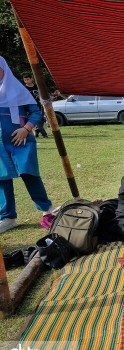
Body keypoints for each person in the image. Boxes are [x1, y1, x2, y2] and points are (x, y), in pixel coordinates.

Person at [0, 56, 53, 233]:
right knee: (2, 178)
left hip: (21, 142)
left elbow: (35, 112)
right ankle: (7, 216)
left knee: (29, 174)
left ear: (4, 69)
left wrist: (26, 128)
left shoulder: (18, 90)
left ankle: (47, 209)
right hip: (0, 144)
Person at [21, 72, 49, 138]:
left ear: (31, 79)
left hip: (39, 106)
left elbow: (42, 95)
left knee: (40, 120)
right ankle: (44, 135)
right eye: (25, 80)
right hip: (28, 107)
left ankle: (36, 130)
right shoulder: (24, 88)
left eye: (28, 79)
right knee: (37, 120)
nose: (26, 81)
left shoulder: (37, 87)